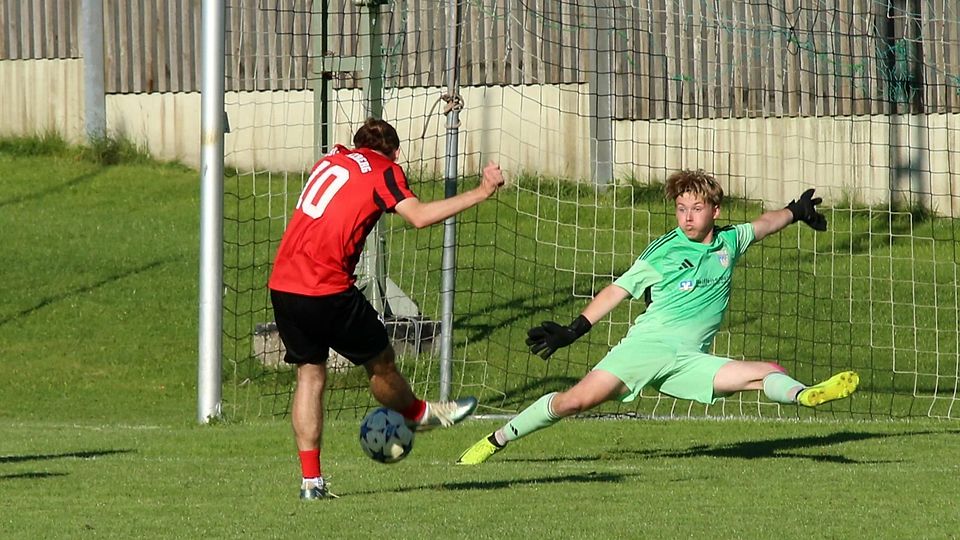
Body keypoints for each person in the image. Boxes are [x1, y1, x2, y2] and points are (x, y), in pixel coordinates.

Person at [456, 169, 859, 465]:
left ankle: (804, 394)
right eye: (681, 209)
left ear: (715, 211)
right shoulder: (663, 252)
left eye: (696, 209)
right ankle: (495, 440)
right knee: (573, 402)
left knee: (765, 370)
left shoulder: (729, 241)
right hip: (646, 350)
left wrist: (795, 210)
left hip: (690, 359)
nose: (687, 217)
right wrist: (573, 329)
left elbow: (762, 225)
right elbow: (618, 289)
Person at [269, 118, 505, 498]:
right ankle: (419, 414)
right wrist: (481, 191)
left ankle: (311, 482)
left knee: (310, 377)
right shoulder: (386, 169)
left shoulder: (330, 161)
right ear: (394, 153)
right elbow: (419, 216)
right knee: (380, 362)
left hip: (283, 284)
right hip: (326, 288)